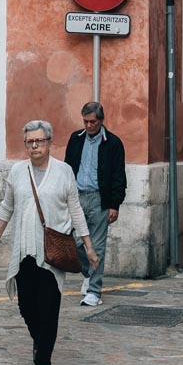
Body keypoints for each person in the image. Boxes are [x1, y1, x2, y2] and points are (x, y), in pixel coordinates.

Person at [0, 119, 98, 365]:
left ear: (49, 142)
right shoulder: (17, 171)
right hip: (24, 250)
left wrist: (89, 247)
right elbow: (7, 207)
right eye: (29, 142)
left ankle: (43, 360)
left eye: (39, 141)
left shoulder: (64, 172)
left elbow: (75, 211)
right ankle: (40, 340)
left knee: (48, 307)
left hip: (52, 252)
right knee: (26, 306)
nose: (34, 146)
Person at [64, 100, 125, 307]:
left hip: (100, 199)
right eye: (85, 122)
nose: (89, 125)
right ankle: (89, 273)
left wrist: (115, 204)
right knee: (74, 241)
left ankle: (94, 292)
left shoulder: (113, 143)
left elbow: (119, 176)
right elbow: (67, 169)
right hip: (76, 197)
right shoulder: (75, 139)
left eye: (93, 122)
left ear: (101, 120)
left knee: (97, 246)